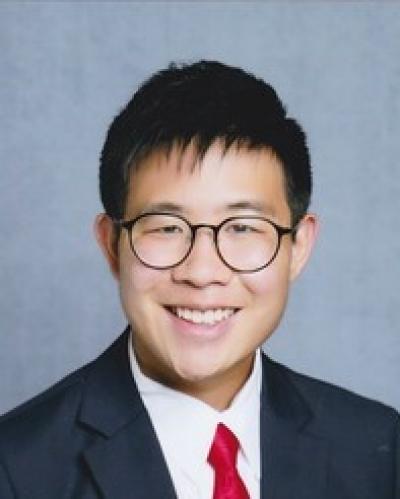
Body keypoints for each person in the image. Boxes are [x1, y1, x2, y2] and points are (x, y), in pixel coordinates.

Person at [0, 60, 398, 499]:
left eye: (242, 227)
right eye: (167, 227)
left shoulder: (377, 451)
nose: (202, 273)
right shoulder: (17, 470)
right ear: (112, 244)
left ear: (298, 247)